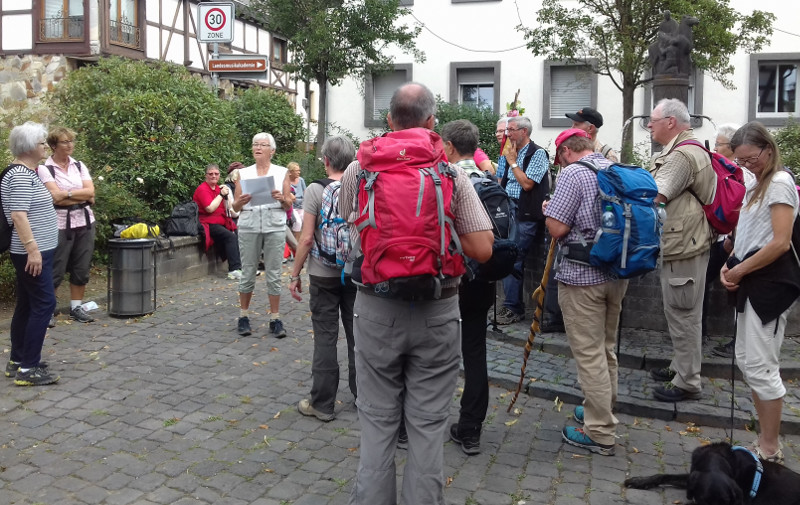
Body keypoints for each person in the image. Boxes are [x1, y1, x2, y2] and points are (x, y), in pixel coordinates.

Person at [340, 82, 493, 505]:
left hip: (374, 307)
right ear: (431, 123)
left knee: (376, 423)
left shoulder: (360, 169)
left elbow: (350, 224)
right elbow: (482, 248)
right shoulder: (451, 173)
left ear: (389, 121)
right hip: (437, 308)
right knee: (427, 427)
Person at [544, 128, 629, 456]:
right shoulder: (614, 169)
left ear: (565, 151)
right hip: (618, 275)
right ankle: (603, 409)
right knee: (606, 347)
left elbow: (558, 227)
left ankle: (599, 432)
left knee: (589, 353)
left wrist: (548, 210)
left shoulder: (573, 174)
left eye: (559, 156)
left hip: (582, 278)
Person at [720, 122, 800, 464]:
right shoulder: (758, 183)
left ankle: (770, 448)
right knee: (749, 363)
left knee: (762, 366)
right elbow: (750, 237)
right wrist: (731, 261)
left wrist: (738, 268)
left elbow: (781, 242)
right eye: (741, 161)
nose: (746, 165)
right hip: (753, 281)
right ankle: (764, 442)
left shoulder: (780, 183)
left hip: (769, 286)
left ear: (768, 149)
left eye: (751, 159)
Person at [647, 98, 715, 402]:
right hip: (687, 241)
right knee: (681, 309)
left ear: (670, 122)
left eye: (653, 120)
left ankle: (687, 380)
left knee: (683, 311)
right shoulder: (689, 149)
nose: (649, 125)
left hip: (683, 243)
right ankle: (680, 367)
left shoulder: (681, 156)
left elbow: (654, 196)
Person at [288, 136, 357, 422]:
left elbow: (305, 239)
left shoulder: (316, 190)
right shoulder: (360, 187)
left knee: (326, 338)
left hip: (322, 273)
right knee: (359, 338)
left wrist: (294, 274)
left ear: (326, 161)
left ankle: (323, 403)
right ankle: (364, 396)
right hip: (355, 273)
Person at [440, 119, 496, 455]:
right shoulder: (487, 177)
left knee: (431, 351)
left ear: (447, 145)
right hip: (483, 276)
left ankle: (413, 424)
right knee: (475, 352)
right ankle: (470, 429)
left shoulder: (445, 177)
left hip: (451, 278)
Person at [2, 122, 60, 386]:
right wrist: (33, 251)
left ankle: (18, 360)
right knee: (44, 304)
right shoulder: (22, 176)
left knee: (27, 304)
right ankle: (28, 369)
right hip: (31, 254)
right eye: (41, 143)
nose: (45, 147)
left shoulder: (28, 172)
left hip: (34, 251)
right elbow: (18, 215)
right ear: (28, 147)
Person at [231, 133, 292, 338]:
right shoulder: (243, 173)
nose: (257, 147)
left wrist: (281, 198)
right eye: (255, 144)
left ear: (272, 151)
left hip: (274, 223)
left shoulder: (282, 172)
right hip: (249, 223)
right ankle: (243, 316)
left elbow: (288, 204)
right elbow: (235, 206)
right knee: (248, 271)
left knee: (274, 272)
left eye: (263, 145)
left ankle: (275, 318)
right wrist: (241, 200)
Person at [37, 127, 96, 326]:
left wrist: (67, 194)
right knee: (56, 267)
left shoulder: (79, 166)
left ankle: (76, 307)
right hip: (60, 224)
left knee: (81, 267)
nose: (70, 145)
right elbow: (55, 197)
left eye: (71, 141)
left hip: (85, 222)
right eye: (65, 141)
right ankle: (48, 310)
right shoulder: (46, 169)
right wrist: (78, 195)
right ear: (53, 145)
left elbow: (91, 193)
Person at [494, 115, 549, 325]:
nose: (507, 134)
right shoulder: (507, 151)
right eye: (506, 130)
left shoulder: (538, 154)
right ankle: (510, 305)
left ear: (524, 132)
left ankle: (513, 308)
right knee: (505, 255)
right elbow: (500, 180)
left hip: (526, 213)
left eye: (511, 129)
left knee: (513, 257)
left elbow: (527, 184)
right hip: (508, 210)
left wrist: (513, 162)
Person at [708, 124, 740, 358]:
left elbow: (742, 209)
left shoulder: (739, 172)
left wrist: (731, 239)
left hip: (729, 241)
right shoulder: (723, 168)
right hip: (723, 239)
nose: (715, 146)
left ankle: (738, 342)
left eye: (718, 143)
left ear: (731, 147)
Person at [193, 164, 242, 280]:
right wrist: (221, 195)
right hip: (208, 224)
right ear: (206, 175)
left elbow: (230, 208)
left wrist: (227, 195)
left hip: (221, 221)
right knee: (230, 237)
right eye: (211, 174)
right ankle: (234, 269)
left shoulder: (220, 189)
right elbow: (209, 208)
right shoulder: (202, 189)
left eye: (216, 174)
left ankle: (243, 267)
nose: (213, 176)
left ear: (219, 175)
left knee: (241, 234)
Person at [286, 161, 306, 242]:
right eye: (297, 171)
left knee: (307, 221)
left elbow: (305, 192)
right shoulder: (286, 182)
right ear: (290, 172)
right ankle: (296, 243)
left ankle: (303, 242)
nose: (299, 172)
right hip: (293, 207)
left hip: (302, 205)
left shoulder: (301, 180)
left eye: (299, 170)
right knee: (298, 222)